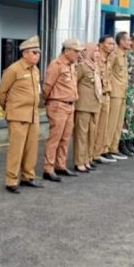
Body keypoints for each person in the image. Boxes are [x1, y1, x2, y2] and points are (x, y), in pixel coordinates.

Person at [0, 35, 44, 193]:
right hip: (17, 115)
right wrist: (9, 108)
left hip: (32, 115)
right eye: (34, 52)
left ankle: (28, 176)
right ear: (24, 54)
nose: (37, 55)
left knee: (31, 148)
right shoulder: (14, 69)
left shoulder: (35, 70)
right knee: (16, 149)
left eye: (38, 52)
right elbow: (1, 92)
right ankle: (11, 180)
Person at [43, 37, 82, 179]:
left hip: (70, 105)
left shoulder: (72, 65)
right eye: (76, 51)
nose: (79, 54)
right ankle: (48, 168)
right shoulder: (56, 65)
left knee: (65, 138)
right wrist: (49, 102)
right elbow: (47, 86)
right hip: (58, 105)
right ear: (67, 51)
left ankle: (60, 165)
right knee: (55, 138)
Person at [73, 43, 102, 173]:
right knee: (81, 135)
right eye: (95, 51)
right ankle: (79, 161)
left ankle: (87, 159)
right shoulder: (81, 66)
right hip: (83, 106)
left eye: (98, 51)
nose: (97, 53)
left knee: (91, 134)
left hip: (95, 105)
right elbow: (74, 84)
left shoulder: (95, 67)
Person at [106, 31, 131, 159]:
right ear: (121, 41)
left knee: (119, 122)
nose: (130, 42)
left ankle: (114, 147)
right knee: (111, 122)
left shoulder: (124, 55)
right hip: (115, 93)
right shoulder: (114, 55)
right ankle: (106, 148)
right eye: (127, 40)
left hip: (123, 92)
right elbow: (107, 72)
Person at [92, 35, 116, 165]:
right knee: (94, 127)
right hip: (98, 95)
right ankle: (90, 154)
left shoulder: (109, 59)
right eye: (109, 43)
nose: (112, 46)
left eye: (113, 44)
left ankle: (97, 153)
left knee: (103, 126)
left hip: (107, 94)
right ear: (101, 44)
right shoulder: (96, 58)